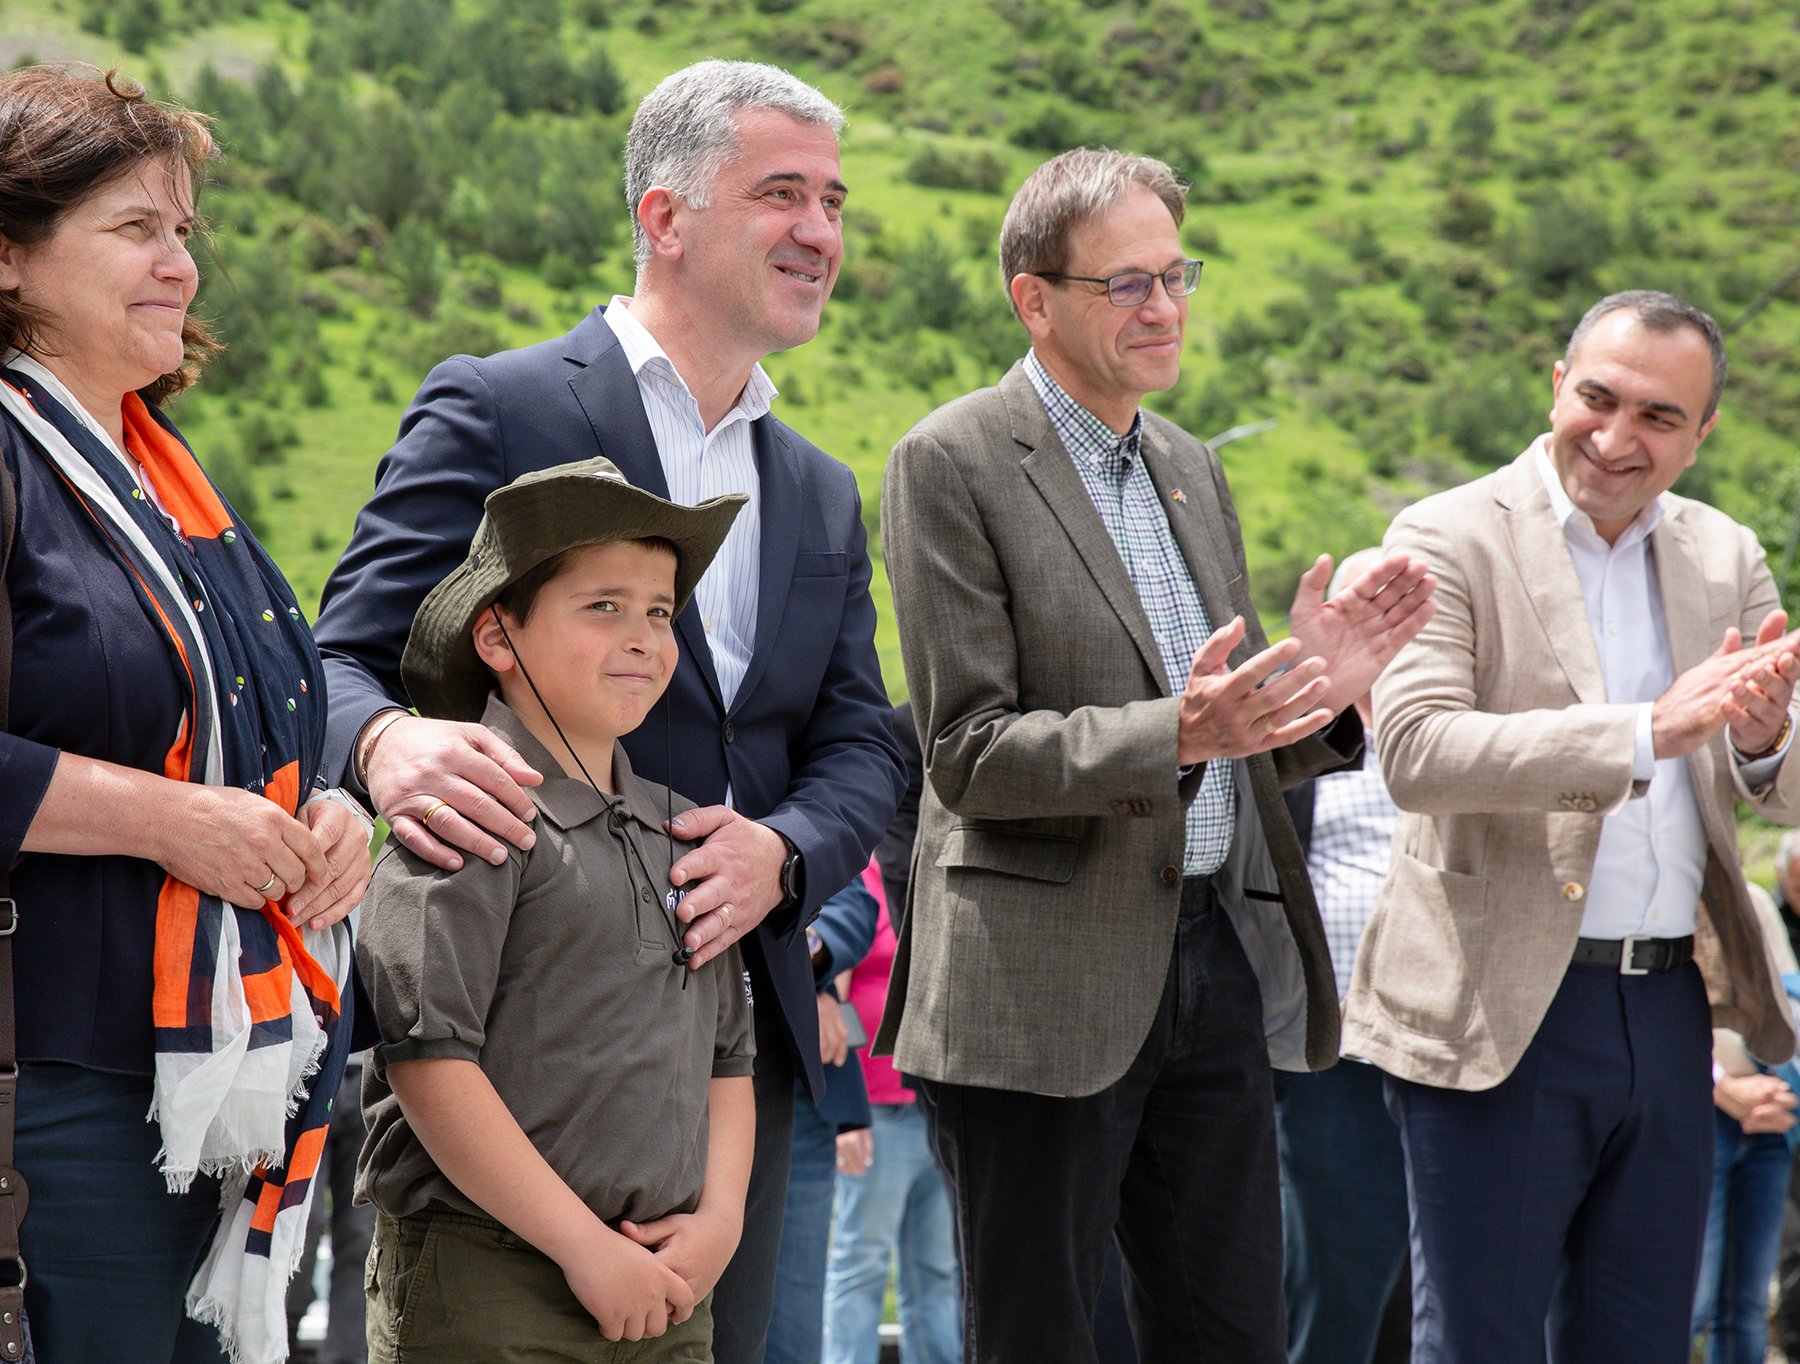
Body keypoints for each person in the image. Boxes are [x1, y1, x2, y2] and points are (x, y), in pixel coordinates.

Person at [311, 59, 905, 1359]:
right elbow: (338, 658)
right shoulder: (500, 402)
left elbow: (863, 740)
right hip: (515, 1055)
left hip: (742, 1065)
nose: (821, 230)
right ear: (664, 216)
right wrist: (389, 741)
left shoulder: (818, 485)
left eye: (835, 202)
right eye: (783, 194)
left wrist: (785, 851)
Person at [874, 147, 1436, 1364]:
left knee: (1233, 1332)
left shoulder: (1190, 464)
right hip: (1036, 982)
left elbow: (1228, 741)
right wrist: (1178, 731)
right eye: (1126, 283)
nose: (1165, 305)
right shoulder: (951, 460)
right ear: (1035, 299)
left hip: (1207, 961)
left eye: (1177, 274)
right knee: (1041, 1338)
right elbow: (965, 753)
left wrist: (1319, 691)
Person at [1340, 289, 1800, 1363]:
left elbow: (1780, 789)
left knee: (1641, 1342)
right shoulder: (1445, 534)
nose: (1616, 435)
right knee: (1482, 1342)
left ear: (1701, 435)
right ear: (1556, 385)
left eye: (1659, 416)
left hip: (1672, 1008)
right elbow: (1416, 751)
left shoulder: (1726, 553)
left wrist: (1764, 736)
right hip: (1499, 1007)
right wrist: (1645, 730)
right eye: (1599, 397)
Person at [0, 64, 371, 1364]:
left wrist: (332, 820)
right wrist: (164, 821)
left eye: (185, 230)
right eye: (134, 228)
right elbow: (177, 784)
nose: (180, 264)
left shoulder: (167, 482)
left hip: (208, 1079)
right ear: (9, 256)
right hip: (51, 1089)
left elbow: (263, 736)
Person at [355, 456, 755, 1358]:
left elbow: (730, 1059)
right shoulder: (468, 816)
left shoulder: (685, 833)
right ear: (498, 637)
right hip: (488, 1283)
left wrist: (720, 1226)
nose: (644, 638)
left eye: (660, 612)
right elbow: (427, 1063)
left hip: (668, 1285)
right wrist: (584, 1251)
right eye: (603, 606)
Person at [1274, 549, 1411, 1364]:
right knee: (1342, 1265)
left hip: (1452, 1048)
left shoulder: (1451, 736)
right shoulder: (1294, 743)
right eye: (1364, 615)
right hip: (1336, 1052)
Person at [824, 841, 962, 1364]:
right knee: (861, 1264)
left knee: (937, 1271)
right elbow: (833, 1000)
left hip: (937, 1109)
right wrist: (848, 1118)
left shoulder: (937, 872)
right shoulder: (860, 877)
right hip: (878, 1114)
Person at [763, 875, 878, 1364]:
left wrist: (803, 960)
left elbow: (854, 905)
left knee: (794, 1322)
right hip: (687, 1083)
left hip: (799, 1091)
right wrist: (795, 983)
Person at [1691, 874, 1799, 1364]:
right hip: (1701, 1114)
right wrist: (1719, 1085)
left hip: (1771, 1118)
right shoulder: (1668, 904)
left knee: (1748, 1304)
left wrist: (1781, 1088)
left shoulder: (1753, 902)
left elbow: (1790, 997)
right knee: (1692, 1298)